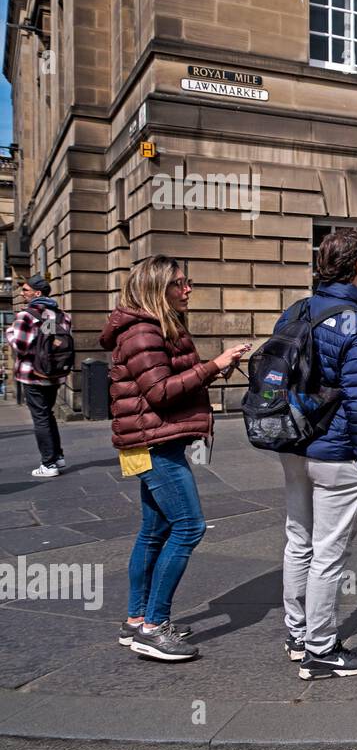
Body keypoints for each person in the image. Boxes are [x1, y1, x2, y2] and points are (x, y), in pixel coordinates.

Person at [101, 255, 249, 661]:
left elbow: (164, 385)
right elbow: (160, 392)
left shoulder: (155, 327)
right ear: (155, 288)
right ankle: (154, 626)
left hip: (152, 440)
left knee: (154, 531)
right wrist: (213, 366)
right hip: (153, 444)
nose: (188, 290)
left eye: (188, 281)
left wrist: (214, 369)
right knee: (189, 526)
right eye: (179, 283)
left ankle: (136, 621)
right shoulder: (142, 332)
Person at [275, 229, 357, 678]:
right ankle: (321, 649)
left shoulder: (295, 311)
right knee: (329, 552)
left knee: (298, 542)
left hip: (292, 444)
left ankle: (297, 634)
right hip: (337, 452)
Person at [6, 276, 73, 477]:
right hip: (54, 374)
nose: (22, 293)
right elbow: (50, 342)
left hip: (32, 375)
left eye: (25, 290)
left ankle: (49, 463)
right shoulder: (61, 315)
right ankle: (58, 457)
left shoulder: (27, 316)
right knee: (48, 413)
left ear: (37, 293)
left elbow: (21, 345)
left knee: (40, 417)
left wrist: (10, 332)